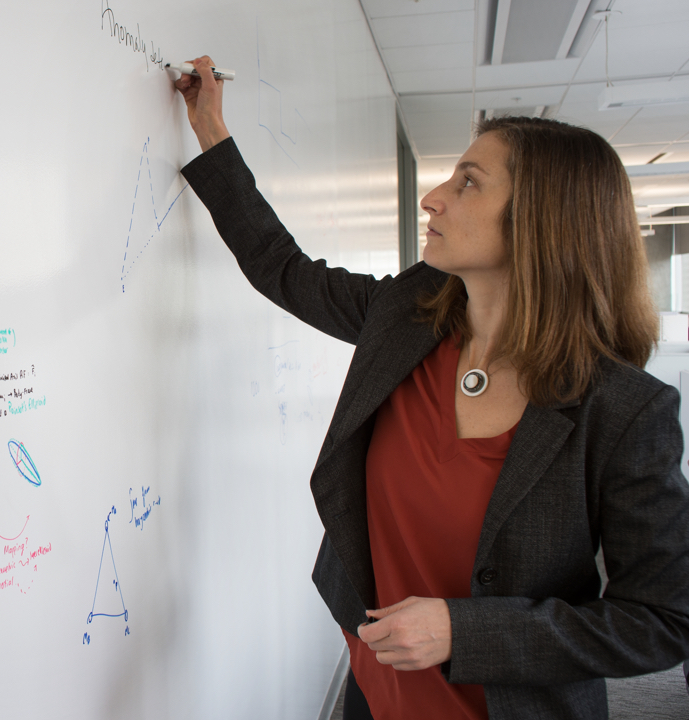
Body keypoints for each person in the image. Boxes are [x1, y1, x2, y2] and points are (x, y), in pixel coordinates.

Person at [174, 56, 689, 720]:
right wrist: (212, 131)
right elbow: (283, 268)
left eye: (468, 183)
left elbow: (662, 620)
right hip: (372, 689)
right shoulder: (406, 317)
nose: (433, 197)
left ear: (541, 221)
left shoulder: (623, 410)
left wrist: (463, 631)